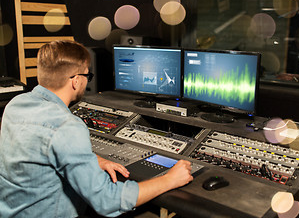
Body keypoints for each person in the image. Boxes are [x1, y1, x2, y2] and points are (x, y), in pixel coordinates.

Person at [0, 40, 193, 217]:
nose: (87, 81)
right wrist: (170, 179)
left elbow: (39, 151)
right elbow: (107, 201)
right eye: (87, 75)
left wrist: (94, 160)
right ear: (75, 81)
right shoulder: (67, 126)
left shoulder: (16, 104)